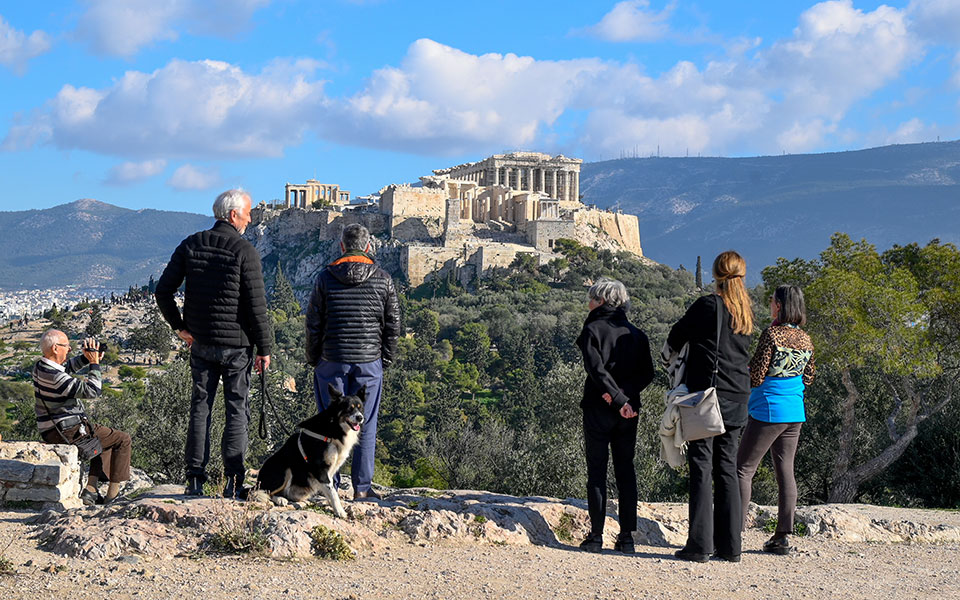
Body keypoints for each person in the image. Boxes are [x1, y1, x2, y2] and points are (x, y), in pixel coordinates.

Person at [155, 188, 273, 499]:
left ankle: (195, 480)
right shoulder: (245, 251)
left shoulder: (191, 244)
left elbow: (162, 291)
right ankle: (233, 483)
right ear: (234, 215)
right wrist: (265, 349)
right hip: (237, 345)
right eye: (247, 213)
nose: (250, 219)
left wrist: (179, 327)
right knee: (237, 411)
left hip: (201, 342)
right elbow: (256, 306)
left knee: (200, 409)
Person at [668, 250, 754, 563]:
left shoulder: (708, 305)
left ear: (717, 275)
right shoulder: (745, 310)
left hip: (707, 397)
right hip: (739, 397)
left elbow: (676, 336)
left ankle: (699, 545)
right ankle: (731, 546)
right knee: (727, 469)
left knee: (701, 467)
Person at [306, 223, 400, 500]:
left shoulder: (324, 277)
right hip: (369, 360)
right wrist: (385, 360)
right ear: (369, 246)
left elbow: (313, 323)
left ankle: (329, 487)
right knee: (365, 422)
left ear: (342, 246)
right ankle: (362, 488)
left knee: (329, 424)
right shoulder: (383, 278)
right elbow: (393, 324)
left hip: (331, 359)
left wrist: (314, 359)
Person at [575, 278, 654, 554]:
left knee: (596, 471)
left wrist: (613, 396)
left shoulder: (591, 329)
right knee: (626, 471)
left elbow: (595, 369)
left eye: (592, 299)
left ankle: (596, 535)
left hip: (598, 408)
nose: (588, 304)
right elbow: (648, 374)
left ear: (601, 302)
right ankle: (627, 538)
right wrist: (625, 397)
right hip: (629, 411)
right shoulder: (638, 334)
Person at [737, 285, 815, 555]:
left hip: (768, 409)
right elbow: (809, 377)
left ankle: (733, 531)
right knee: (786, 472)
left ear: (779, 306)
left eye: (771, 301)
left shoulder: (771, 334)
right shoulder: (805, 339)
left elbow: (757, 376)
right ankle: (782, 536)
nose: (769, 304)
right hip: (795, 410)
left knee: (743, 469)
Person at [34, 330, 131, 505]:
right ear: (56, 348)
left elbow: (67, 367)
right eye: (66, 346)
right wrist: (94, 364)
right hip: (67, 431)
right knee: (122, 439)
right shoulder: (56, 378)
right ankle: (113, 496)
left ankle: (91, 491)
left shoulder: (40, 367)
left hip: (51, 429)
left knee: (103, 437)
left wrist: (86, 358)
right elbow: (93, 391)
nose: (70, 349)